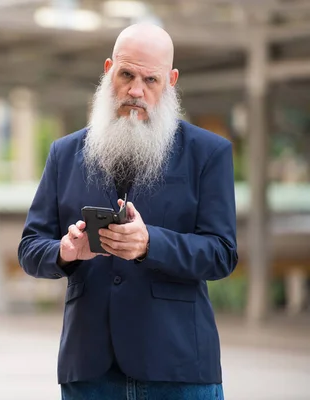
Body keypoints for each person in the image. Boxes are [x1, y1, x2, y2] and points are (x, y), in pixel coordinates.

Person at [17, 23, 238, 400]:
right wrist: (63, 252)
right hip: (89, 369)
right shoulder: (65, 153)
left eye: (150, 79)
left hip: (178, 367)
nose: (136, 90)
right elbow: (30, 247)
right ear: (108, 71)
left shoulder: (208, 153)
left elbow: (221, 254)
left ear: (170, 80)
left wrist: (151, 242)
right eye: (126, 74)